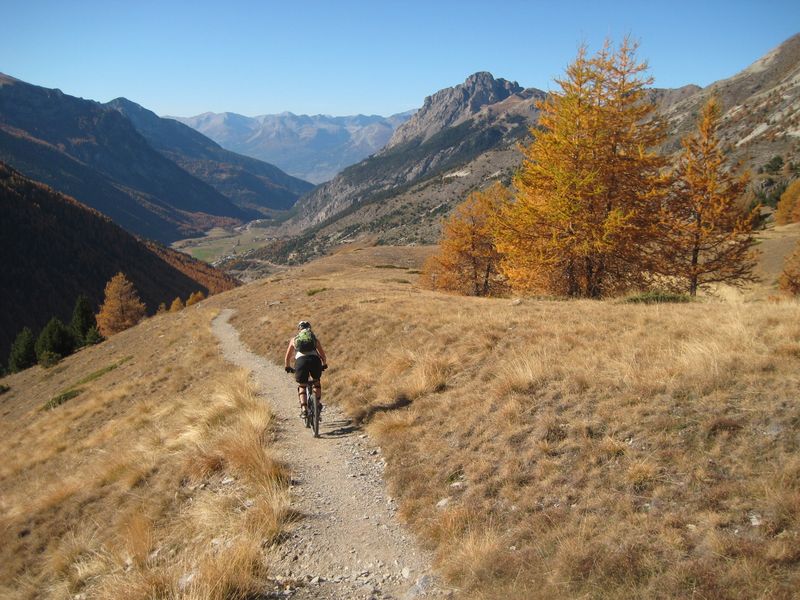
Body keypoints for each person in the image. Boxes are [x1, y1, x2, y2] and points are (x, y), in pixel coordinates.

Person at [285, 320, 328, 417]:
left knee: (302, 385)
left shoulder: (294, 339)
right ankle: (317, 405)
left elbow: (287, 357)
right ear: (309, 328)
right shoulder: (314, 339)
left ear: (299, 329)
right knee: (316, 382)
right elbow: (323, 356)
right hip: (314, 361)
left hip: (301, 362)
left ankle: (304, 410)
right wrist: (324, 364)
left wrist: (287, 367)